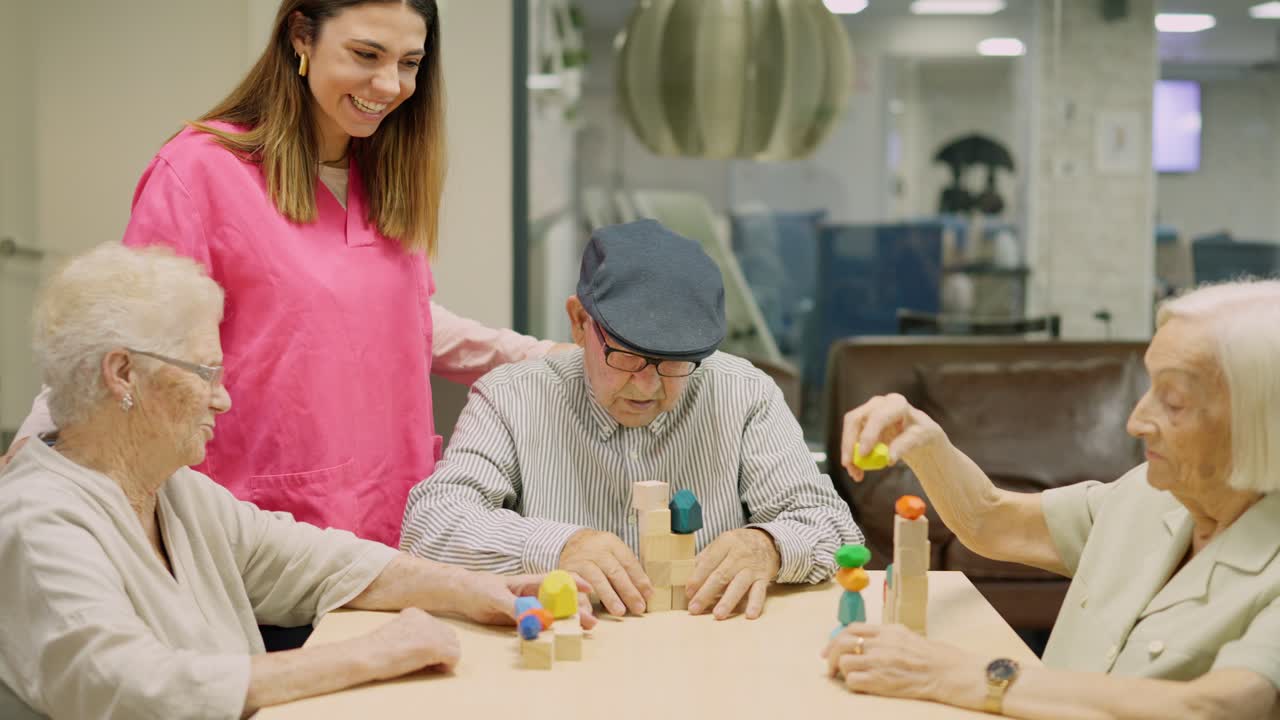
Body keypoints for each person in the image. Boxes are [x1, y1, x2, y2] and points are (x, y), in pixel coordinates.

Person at [0, 0, 568, 548]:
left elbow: (399, 319)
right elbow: (123, 338)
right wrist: (40, 448)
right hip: (255, 526)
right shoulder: (201, 171)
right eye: (366, 54)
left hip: (390, 521)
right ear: (301, 35)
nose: (390, 85)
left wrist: (551, 360)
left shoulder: (386, 173)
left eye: (409, 63)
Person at [0, 244, 594, 720]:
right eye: (205, 373)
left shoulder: (174, 491)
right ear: (123, 374)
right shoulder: (39, 524)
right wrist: (370, 655)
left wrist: (479, 590)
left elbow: (311, 560)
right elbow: (131, 688)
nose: (223, 397)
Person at [824, 280, 1280, 719]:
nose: (1137, 422)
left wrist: (953, 673)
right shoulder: (1150, 494)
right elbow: (992, 521)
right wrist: (925, 445)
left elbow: (1213, 708)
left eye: (1174, 401)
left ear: (1258, 422)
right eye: (1150, 387)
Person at [401, 219, 862, 620]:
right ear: (579, 322)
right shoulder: (511, 397)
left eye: (675, 363)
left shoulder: (745, 393)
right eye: (625, 356)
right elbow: (429, 525)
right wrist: (559, 545)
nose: (647, 385)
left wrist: (769, 546)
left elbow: (832, 525)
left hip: (709, 655)